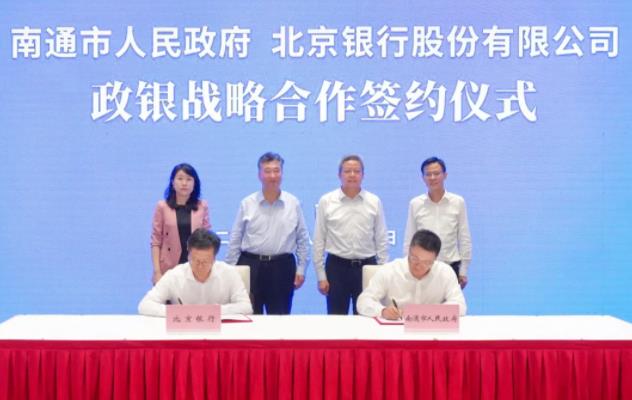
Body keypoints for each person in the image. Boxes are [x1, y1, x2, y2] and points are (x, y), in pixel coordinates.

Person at [226, 152, 310, 315]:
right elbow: (235, 239)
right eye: (267, 171)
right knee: (249, 318)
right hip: (251, 265)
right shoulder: (247, 203)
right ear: (259, 175)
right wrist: (231, 270)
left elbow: (302, 238)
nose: (272, 176)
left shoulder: (293, 203)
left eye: (276, 170)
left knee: (280, 320)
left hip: (282, 267)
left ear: (282, 173)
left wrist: (301, 269)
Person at [313, 155, 389, 315]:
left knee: (366, 317)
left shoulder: (374, 201)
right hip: (336, 268)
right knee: (336, 318)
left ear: (363, 175)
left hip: (367, 267)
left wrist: (382, 271)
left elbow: (381, 239)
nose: (352, 175)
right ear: (339, 174)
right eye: (347, 171)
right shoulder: (327, 201)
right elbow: (319, 239)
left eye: (357, 171)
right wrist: (321, 275)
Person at [139, 228, 252, 317]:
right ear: (188, 255)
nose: (200, 266)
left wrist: (214, 311)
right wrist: (179, 312)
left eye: (205, 261)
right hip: (183, 333)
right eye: (195, 260)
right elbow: (145, 305)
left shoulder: (229, 273)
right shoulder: (174, 275)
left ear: (214, 258)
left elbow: (246, 307)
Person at [357, 229, 466, 319]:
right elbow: (363, 301)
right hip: (395, 332)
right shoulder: (389, 270)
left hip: (432, 333)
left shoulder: (445, 272)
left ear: (435, 259)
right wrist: (383, 311)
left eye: (426, 262)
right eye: (414, 259)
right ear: (409, 250)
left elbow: (460, 306)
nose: (418, 266)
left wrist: (430, 312)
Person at [403, 157, 472, 288]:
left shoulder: (458, 202)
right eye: (428, 174)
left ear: (445, 175)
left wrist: (463, 270)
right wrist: (408, 268)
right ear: (423, 178)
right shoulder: (415, 204)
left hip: (451, 267)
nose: (432, 177)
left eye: (436, 173)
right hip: (423, 268)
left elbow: (464, 238)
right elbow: (409, 239)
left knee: (450, 302)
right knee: (423, 302)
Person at [151, 163, 210, 285]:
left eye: (189, 179)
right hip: (168, 266)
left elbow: (207, 240)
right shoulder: (162, 207)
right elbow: (156, 241)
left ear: (195, 184)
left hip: (195, 265)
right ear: (173, 182)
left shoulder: (202, 206)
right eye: (180, 179)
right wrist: (157, 272)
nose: (184, 183)